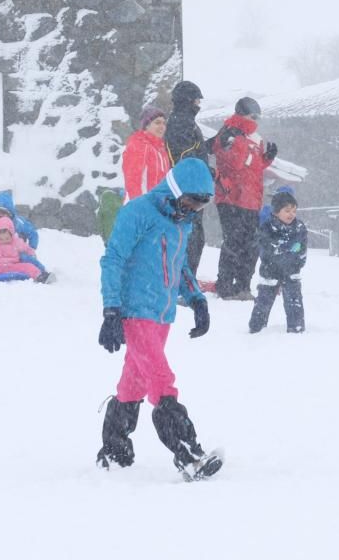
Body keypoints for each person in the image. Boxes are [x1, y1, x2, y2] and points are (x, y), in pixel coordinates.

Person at [95, 158, 222, 482]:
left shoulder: (182, 223)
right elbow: (113, 260)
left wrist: (196, 298)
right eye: (190, 201)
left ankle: (114, 450)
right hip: (135, 312)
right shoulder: (138, 213)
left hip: (163, 315)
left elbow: (178, 266)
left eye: (200, 204)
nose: (193, 209)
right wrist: (111, 310)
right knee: (162, 382)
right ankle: (189, 454)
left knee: (133, 384)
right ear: (174, 190)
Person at [212, 96, 277, 300]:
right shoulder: (227, 134)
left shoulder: (255, 138)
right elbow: (234, 165)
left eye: (257, 116)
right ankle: (225, 285)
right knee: (234, 242)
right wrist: (239, 142)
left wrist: (266, 159)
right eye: (252, 116)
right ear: (241, 114)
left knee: (251, 245)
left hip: (251, 198)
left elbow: (252, 169)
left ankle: (243, 286)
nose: (255, 120)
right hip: (231, 197)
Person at [163, 81, 208, 274]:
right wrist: (203, 170)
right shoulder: (181, 122)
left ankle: (184, 279)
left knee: (194, 237)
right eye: (197, 100)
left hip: (191, 188)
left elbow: (194, 151)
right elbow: (183, 156)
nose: (198, 104)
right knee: (190, 238)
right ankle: (182, 281)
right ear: (187, 100)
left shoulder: (185, 121)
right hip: (186, 190)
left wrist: (213, 145)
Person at [249, 189, 307, 334]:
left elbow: (302, 249)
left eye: (294, 211)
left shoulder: (299, 228)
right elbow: (266, 247)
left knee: (294, 301)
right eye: (287, 211)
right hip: (270, 270)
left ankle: (296, 327)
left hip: (291, 270)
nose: (291, 214)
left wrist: (298, 261)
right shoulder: (268, 228)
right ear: (276, 212)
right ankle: (256, 326)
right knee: (263, 301)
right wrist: (280, 250)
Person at [0, 190, 52, 281]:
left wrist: (32, 248)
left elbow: (33, 234)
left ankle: (42, 273)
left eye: (4, 214)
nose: (0, 217)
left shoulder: (19, 223)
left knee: (26, 258)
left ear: (10, 213)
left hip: (16, 252)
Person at [123, 105, 171, 200]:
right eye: (157, 123)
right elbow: (133, 180)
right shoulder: (140, 145)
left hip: (157, 205)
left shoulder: (160, 149)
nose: (162, 127)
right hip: (141, 207)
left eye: (163, 123)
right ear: (147, 126)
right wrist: (141, 207)